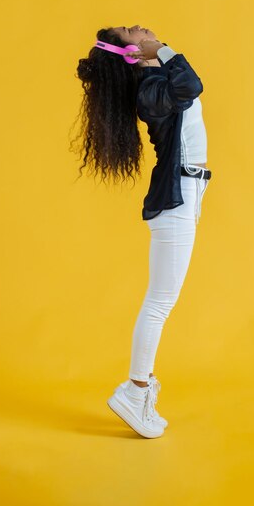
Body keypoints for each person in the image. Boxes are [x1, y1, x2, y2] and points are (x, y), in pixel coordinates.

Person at [73, 25, 212, 438]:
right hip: (177, 197)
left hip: (186, 192)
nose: (143, 27)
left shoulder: (156, 81)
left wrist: (156, 53)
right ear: (133, 51)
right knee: (159, 304)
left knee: (161, 301)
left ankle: (139, 390)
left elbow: (185, 85)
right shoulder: (152, 89)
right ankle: (135, 391)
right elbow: (192, 84)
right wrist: (161, 49)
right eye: (134, 31)